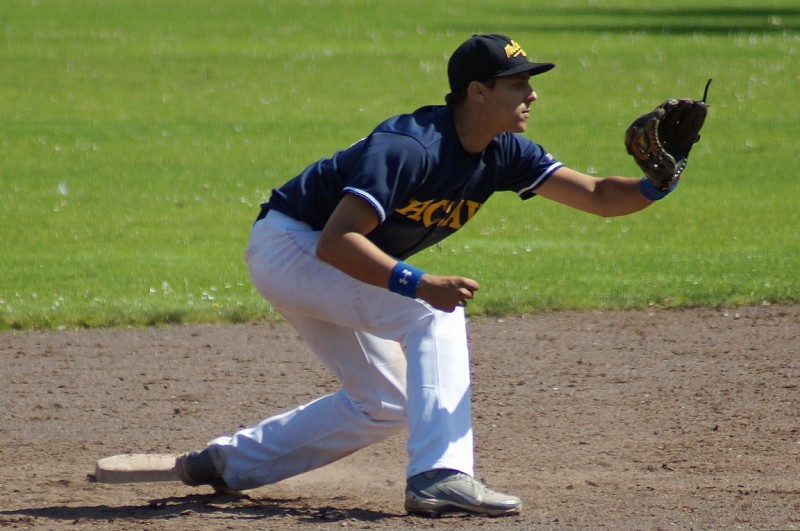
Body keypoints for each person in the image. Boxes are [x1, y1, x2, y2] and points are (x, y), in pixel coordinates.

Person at [175, 33, 668, 516]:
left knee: (384, 402)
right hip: (292, 246)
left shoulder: (503, 151)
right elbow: (337, 240)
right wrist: (420, 284)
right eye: (518, 83)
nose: (532, 94)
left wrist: (657, 182)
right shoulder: (409, 146)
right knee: (432, 312)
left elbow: (599, 196)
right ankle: (440, 474)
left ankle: (227, 463)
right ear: (478, 92)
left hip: (329, 259)